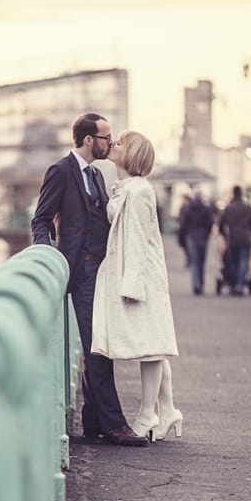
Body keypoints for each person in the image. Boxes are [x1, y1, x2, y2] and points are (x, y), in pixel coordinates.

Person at [31, 113, 148, 447]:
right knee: (98, 348)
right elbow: (40, 219)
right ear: (87, 140)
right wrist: (48, 253)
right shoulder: (61, 171)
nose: (110, 143)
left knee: (98, 343)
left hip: (101, 272)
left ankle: (95, 420)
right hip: (79, 271)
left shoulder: (97, 174)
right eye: (106, 137)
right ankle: (114, 425)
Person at [91, 130, 182, 442]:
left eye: (119, 142)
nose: (113, 144)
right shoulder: (128, 187)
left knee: (150, 345)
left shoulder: (140, 191)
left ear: (131, 154)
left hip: (141, 277)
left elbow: (141, 242)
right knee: (152, 342)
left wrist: (132, 285)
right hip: (130, 273)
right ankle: (167, 410)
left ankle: (148, 415)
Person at [218, 185, 251, 295]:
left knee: (233, 262)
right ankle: (239, 285)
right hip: (245, 238)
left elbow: (221, 224)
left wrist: (225, 235)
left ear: (233, 194)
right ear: (241, 194)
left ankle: (234, 284)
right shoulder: (247, 207)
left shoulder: (229, 208)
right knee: (243, 262)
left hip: (233, 239)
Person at [179, 191, 214, 294]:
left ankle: (196, 285)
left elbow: (184, 226)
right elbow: (210, 223)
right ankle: (201, 285)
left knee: (195, 263)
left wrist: (186, 235)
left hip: (192, 238)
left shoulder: (189, 210)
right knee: (202, 263)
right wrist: (207, 234)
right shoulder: (206, 209)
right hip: (203, 239)